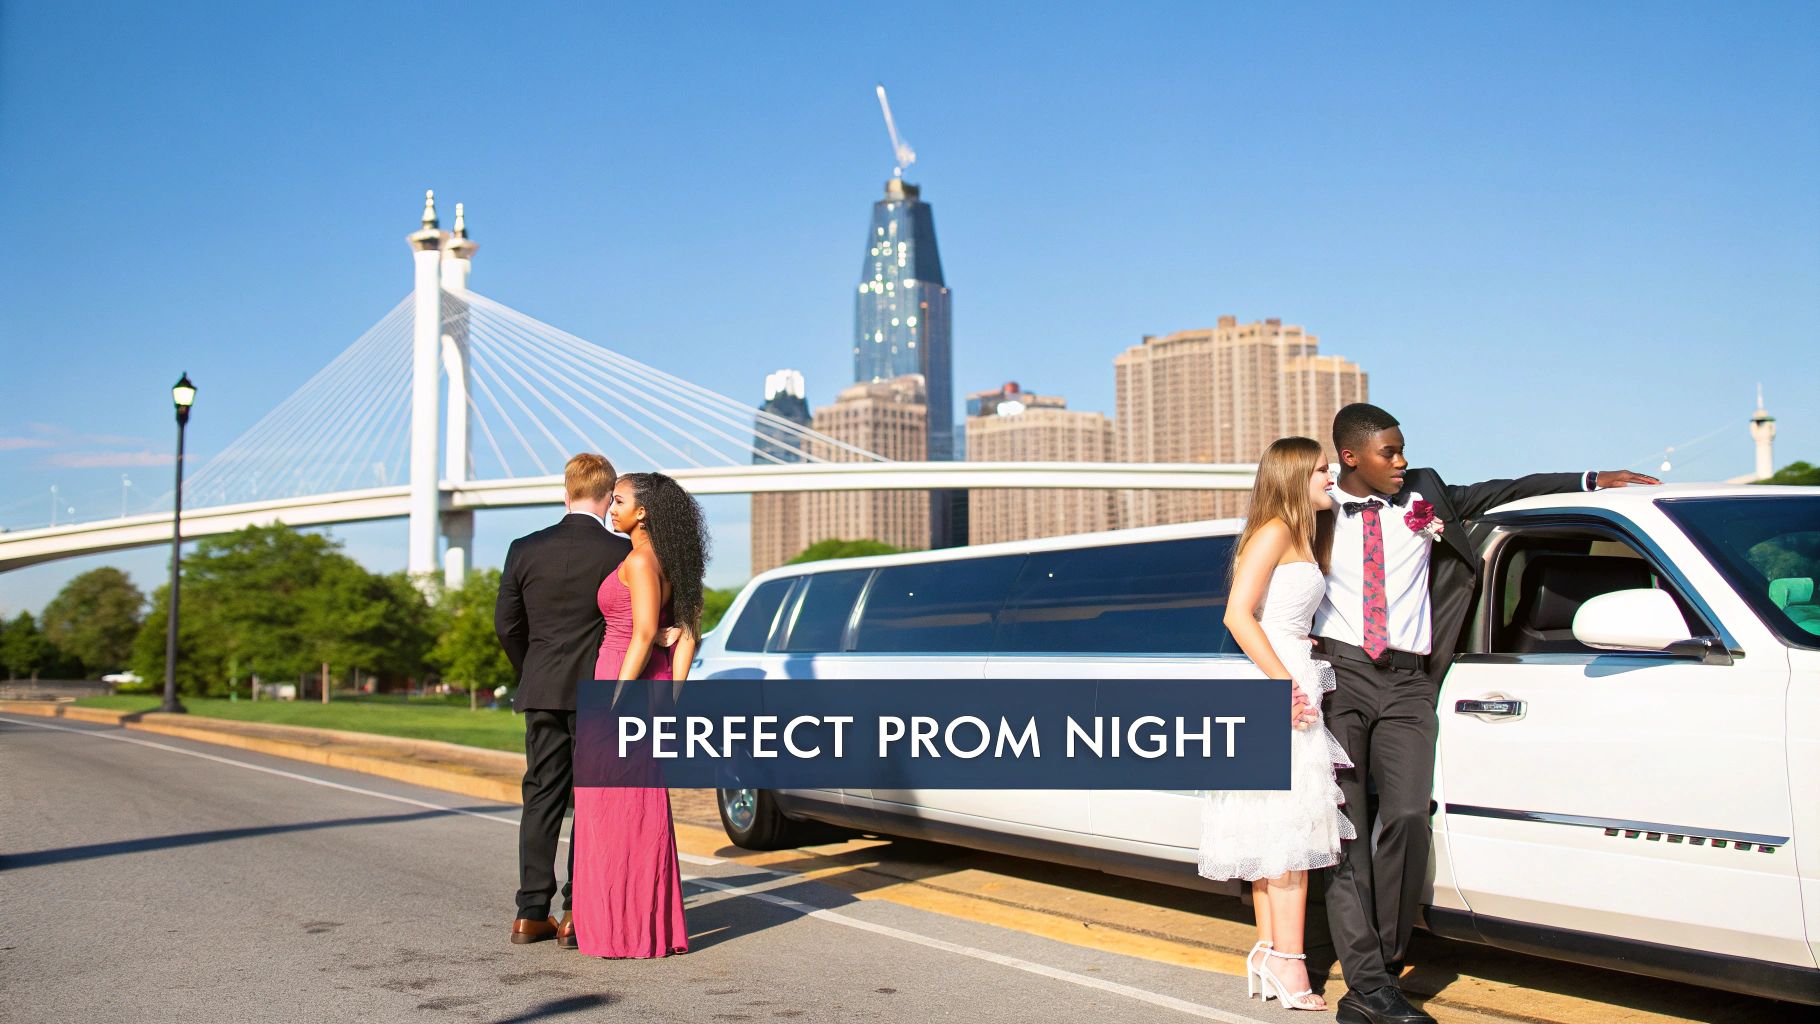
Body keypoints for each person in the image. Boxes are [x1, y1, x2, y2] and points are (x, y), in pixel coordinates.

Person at [1312, 403, 1658, 1024]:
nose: (1402, 461)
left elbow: (1505, 489)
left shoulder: (1425, 493)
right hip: (1340, 677)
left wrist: (1591, 480)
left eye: (1402, 449)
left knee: (1409, 818)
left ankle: (1380, 969)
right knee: (1347, 833)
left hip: (1412, 680)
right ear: (1350, 456)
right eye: (1389, 452)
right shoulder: (1312, 506)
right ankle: (1369, 986)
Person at [494, 453, 677, 948]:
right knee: (590, 800)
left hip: (543, 689)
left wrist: (531, 671)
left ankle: (530, 913)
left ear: (566, 492)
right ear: (605, 495)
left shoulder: (523, 548)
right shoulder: (620, 554)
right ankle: (577, 910)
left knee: (541, 796)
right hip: (601, 689)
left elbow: (507, 626)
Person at [1200, 436, 1354, 1012]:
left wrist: (1295, 645)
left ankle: (1270, 951)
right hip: (1279, 682)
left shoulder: (1296, 533)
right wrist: (1279, 681)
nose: (1329, 478)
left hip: (1286, 669)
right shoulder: (1275, 531)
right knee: (1295, 828)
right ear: (1292, 476)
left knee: (1276, 827)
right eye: (1320, 470)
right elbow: (1237, 614)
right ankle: (1291, 964)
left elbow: (1270, 614)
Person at [571, 471, 709, 958]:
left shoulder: (640, 559)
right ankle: (641, 926)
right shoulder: (671, 561)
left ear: (643, 511)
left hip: (622, 681)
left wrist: (617, 698)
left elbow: (645, 630)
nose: (612, 506)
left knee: (614, 809)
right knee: (633, 804)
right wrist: (670, 694)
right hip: (639, 682)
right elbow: (687, 632)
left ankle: (620, 930)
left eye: (620, 500)